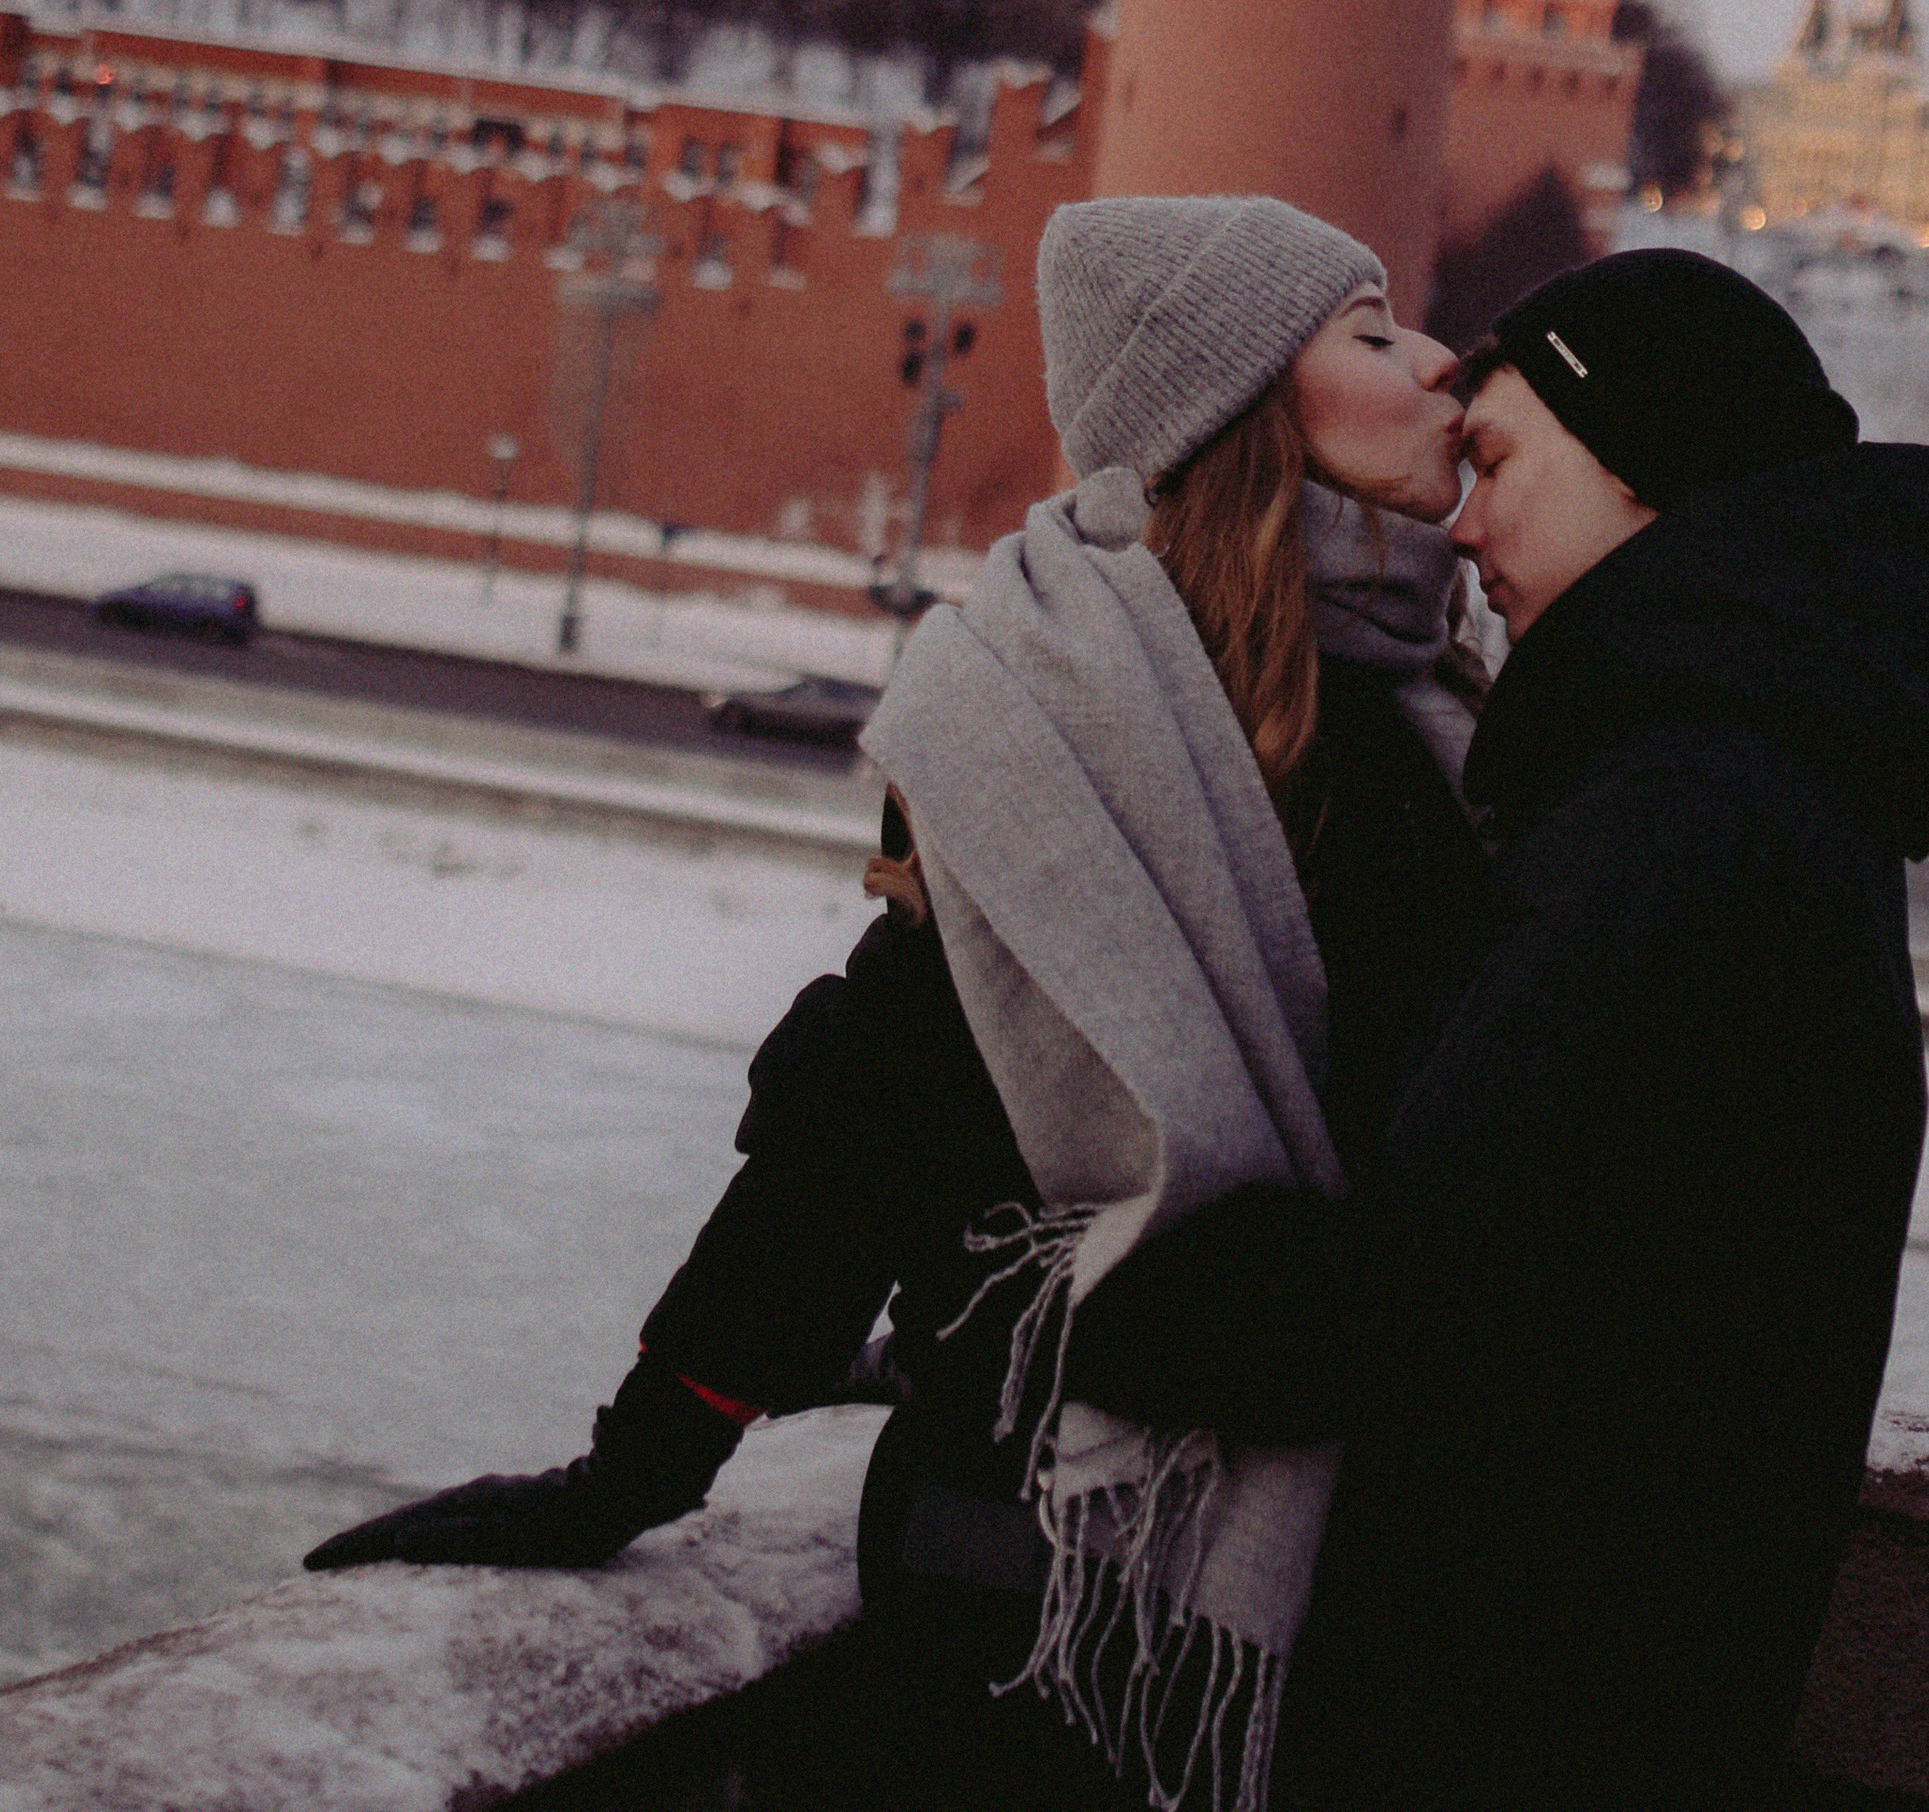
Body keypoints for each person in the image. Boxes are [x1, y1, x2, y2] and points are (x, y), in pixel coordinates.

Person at [307, 193, 1489, 1812]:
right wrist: (633, 1469)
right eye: (1370, 335)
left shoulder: (1447, 711)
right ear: (1235, 409)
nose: (1441, 364)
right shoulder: (1069, 720)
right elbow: (864, 1119)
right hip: (1039, 1581)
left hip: (1347, 1574)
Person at [1065, 243, 1929, 1812]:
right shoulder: (1759, 781)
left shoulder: (1674, 821)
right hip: (1636, 1694)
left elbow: (1432, 1293)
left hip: (1512, 1712)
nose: (1461, 519)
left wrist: (1095, 1309)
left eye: (1500, 460)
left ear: (1646, 465)